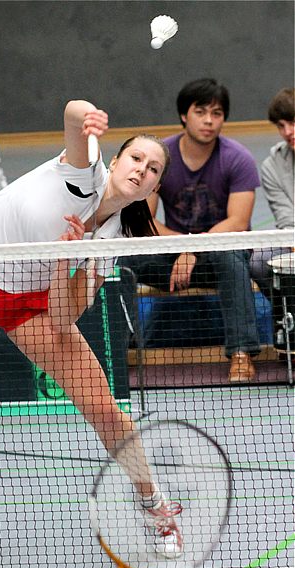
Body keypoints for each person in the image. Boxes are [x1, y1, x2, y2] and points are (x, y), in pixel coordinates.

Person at [0, 100, 183, 568]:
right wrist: (87, 116)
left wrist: (61, 261)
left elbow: (60, 318)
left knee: (104, 410)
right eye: (136, 158)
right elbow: (73, 114)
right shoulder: (83, 172)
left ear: (154, 186)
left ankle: (157, 508)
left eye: (153, 168)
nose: (142, 169)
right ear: (115, 161)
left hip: (33, 300)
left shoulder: (114, 239)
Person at [119, 78, 261, 383]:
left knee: (231, 253)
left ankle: (241, 354)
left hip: (218, 257)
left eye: (217, 113)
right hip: (171, 258)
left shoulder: (238, 159)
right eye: (201, 111)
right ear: (185, 114)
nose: (209, 121)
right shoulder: (160, 157)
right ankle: (119, 354)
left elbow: (237, 222)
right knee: (123, 260)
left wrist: (193, 249)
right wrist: (183, 249)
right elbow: (145, 222)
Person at [250, 88, 294, 298]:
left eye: (293, 123)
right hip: (292, 241)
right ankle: (288, 319)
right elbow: (285, 216)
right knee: (260, 260)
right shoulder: (272, 166)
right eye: (281, 126)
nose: (287, 132)